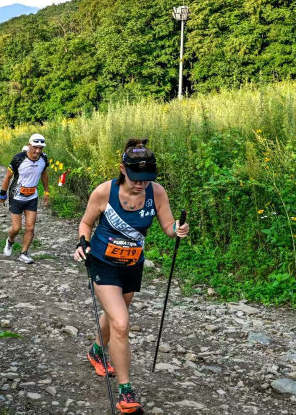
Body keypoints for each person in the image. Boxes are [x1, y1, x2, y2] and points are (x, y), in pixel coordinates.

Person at [72, 138, 190, 414]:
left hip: (132, 263)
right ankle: (126, 392)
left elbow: (168, 227)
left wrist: (178, 229)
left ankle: (96, 351)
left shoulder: (157, 193)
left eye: (146, 179)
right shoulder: (104, 192)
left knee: (116, 314)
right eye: (136, 178)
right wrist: (82, 242)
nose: (141, 184)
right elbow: (86, 223)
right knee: (122, 323)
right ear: (123, 169)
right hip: (102, 262)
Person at [0, 134, 50, 264]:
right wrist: (2, 194)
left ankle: (24, 253)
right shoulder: (18, 159)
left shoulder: (44, 159)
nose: (37, 151)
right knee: (16, 228)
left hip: (32, 197)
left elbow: (44, 174)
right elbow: (7, 177)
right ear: (29, 145)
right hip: (16, 196)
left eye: (40, 148)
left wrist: (47, 192)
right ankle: (10, 241)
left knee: (30, 227)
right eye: (35, 147)